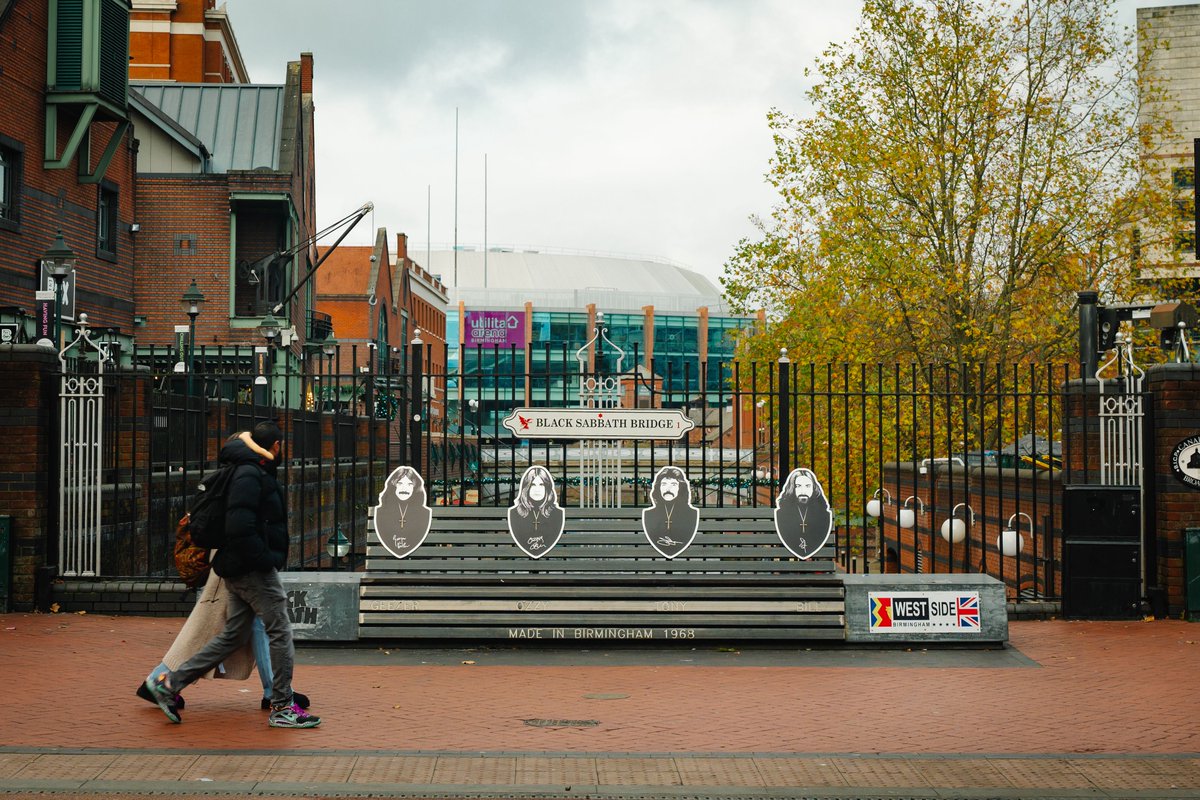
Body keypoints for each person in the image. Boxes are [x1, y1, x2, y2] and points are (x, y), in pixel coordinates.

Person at [144, 421, 320, 728]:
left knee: (232, 635)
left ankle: (169, 683)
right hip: (251, 569)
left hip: (238, 566)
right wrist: (263, 559)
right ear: (276, 446)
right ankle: (282, 706)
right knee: (280, 630)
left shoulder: (248, 469)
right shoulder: (250, 474)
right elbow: (240, 524)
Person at [773, 467, 833, 560]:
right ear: (792, 488)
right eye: (798, 486)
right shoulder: (782, 513)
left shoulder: (822, 513)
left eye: (807, 486)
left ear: (814, 488)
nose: (803, 491)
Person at [374, 465, 432, 559]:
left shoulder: (424, 513)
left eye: (409, 484)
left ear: (415, 488)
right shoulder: (382, 511)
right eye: (400, 484)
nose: (404, 488)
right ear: (393, 486)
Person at [641, 466, 699, 559]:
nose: (668, 489)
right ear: (658, 488)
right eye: (664, 484)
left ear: (681, 488)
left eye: (673, 484)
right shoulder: (648, 514)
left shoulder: (692, 514)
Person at [507, 465, 564, 558]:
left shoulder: (557, 513)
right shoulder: (514, 513)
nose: (537, 489)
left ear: (547, 488)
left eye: (541, 485)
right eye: (533, 485)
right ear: (527, 488)